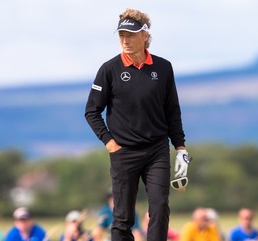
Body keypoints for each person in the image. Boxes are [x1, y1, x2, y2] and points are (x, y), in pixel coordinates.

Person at [84, 8, 190, 241]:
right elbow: (92, 111)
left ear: (145, 35)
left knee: (160, 208)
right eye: (121, 35)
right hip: (124, 151)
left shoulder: (163, 68)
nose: (125, 40)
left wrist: (180, 147)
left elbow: (172, 110)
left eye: (130, 35)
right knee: (122, 218)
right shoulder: (109, 69)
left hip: (157, 151)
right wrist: (109, 143)